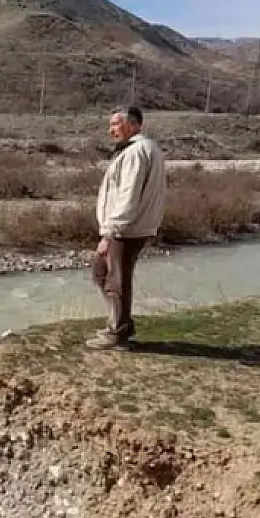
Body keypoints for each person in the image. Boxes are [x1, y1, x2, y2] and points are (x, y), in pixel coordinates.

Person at [87, 105, 166, 351]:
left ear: (133, 125)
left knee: (112, 277)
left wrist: (110, 232)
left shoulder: (135, 152)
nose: (111, 130)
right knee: (105, 272)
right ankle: (122, 324)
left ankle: (118, 333)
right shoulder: (147, 148)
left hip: (126, 228)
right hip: (136, 225)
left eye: (116, 124)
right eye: (110, 125)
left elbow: (127, 196)